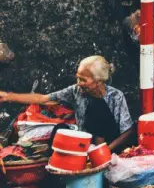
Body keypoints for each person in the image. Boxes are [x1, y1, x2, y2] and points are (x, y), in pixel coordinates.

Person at [0, 56, 134, 151]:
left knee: (99, 110)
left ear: (98, 81)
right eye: (78, 78)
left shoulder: (116, 96)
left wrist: (104, 151)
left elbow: (128, 130)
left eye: (83, 80)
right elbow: (43, 99)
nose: (79, 83)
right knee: (59, 129)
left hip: (110, 146)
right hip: (84, 144)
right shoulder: (76, 91)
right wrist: (8, 96)